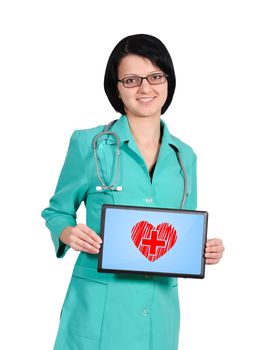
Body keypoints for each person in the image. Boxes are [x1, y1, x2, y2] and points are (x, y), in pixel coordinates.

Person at [41, 33, 224, 350]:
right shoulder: (89, 144)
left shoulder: (185, 157)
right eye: (131, 79)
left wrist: (204, 251)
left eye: (155, 76)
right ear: (116, 87)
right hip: (99, 310)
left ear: (168, 80)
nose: (145, 88)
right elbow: (57, 211)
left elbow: (180, 232)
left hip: (160, 315)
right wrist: (67, 232)